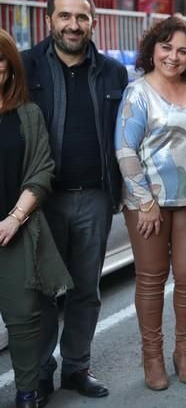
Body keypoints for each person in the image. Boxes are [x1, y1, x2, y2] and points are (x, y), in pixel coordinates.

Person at [21, 0, 128, 404]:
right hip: (42, 201)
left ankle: (77, 368)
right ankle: (39, 372)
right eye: (64, 16)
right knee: (43, 292)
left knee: (86, 289)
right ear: (49, 20)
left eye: (81, 17)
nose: (73, 25)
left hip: (96, 198)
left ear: (93, 22)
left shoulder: (113, 73)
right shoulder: (27, 66)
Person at [115, 16, 186, 390]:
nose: (173, 56)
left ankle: (184, 352)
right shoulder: (138, 92)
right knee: (152, 280)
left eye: (182, 50)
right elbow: (124, 149)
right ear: (152, 49)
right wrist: (144, 202)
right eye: (166, 47)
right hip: (148, 202)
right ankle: (152, 357)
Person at [0, 29, 73, 408]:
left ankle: (27, 390)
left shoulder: (27, 115)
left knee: (24, 317)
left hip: (14, 230)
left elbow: (42, 171)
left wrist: (14, 218)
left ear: (10, 68)